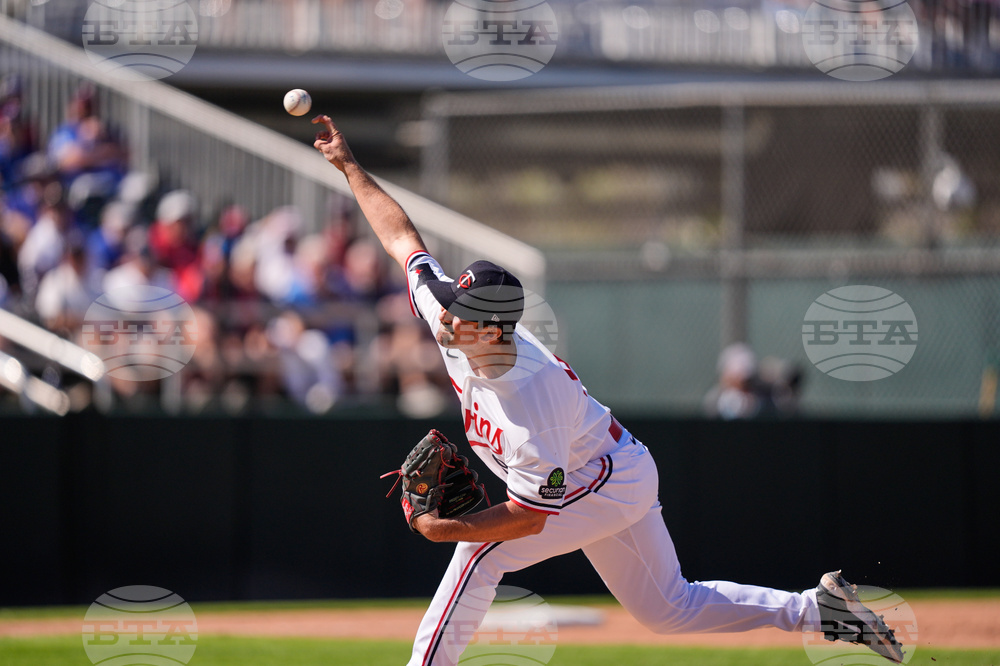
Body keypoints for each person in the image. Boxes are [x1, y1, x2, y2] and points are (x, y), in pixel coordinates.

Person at [311, 115, 905, 666]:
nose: (445, 319)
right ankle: (818, 609)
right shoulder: (449, 320)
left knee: (478, 556)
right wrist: (349, 166)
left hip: (601, 478)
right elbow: (401, 239)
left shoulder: (530, 398)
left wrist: (447, 530)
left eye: (462, 313)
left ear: (493, 328)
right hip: (614, 461)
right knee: (670, 609)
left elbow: (526, 520)